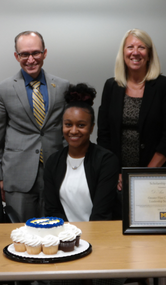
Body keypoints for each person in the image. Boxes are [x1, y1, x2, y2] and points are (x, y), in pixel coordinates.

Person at [0, 31, 70, 221]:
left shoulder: (63, 86)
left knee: (57, 231)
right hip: (17, 176)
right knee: (22, 235)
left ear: (45, 53)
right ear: (17, 56)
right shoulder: (2, 89)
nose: (31, 59)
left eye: (36, 53)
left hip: (57, 172)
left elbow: (66, 134)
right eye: (24, 54)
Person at [97, 29, 166, 191]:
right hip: (117, 177)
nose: (135, 52)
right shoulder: (111, 86)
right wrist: (115, 172)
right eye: (130, 47)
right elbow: (104, 135)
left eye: (141, 47)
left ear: (149, 54)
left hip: (155, 174)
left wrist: (146, 174)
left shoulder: (164, 86)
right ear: (123, 52)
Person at [44, 83, 119, 222]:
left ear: (91, 128)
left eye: (81, 125)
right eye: (68, 124)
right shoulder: (53, 162)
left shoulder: (106, 160)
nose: (73, 131)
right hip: (64, 235)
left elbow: (102, 213)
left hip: (99, 234)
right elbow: (52, 210)